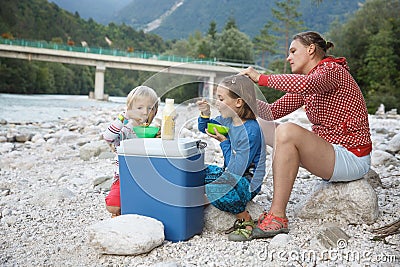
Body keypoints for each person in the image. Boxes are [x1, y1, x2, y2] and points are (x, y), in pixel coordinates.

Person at [239, 31, 372, 239]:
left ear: (311, 50)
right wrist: (241, 101)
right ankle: (239, 184)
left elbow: (307, 85)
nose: (288, 57)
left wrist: (260, 78)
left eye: (293, 51)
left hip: (352, 157)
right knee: (259, 123)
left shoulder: (331, 70)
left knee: (287, 130)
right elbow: (271, 112)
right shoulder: (310, 83)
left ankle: (277, 216)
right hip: (329, 154)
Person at [196, 75, 266, 241]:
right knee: (198, 171)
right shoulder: (227, 120)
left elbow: (236, 169)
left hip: (246, 182)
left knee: (214, 189)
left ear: (238, 102)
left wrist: (225, 143)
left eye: (221, 98)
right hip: (231, 174)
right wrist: (205, 114)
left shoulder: (251, 131)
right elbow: (205, 128)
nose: (217, 102)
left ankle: (244, 218)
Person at [103, 86, 159, 217]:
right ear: (130, 109)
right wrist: (124, 117)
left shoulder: (154, 131)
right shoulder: (125, 130)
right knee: (112, 205)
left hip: (148, 179)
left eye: (150, 108)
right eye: (139, 108)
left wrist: (159, 139)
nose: (145, 112)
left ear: (155, 111)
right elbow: (108, 137)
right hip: (124, 179)